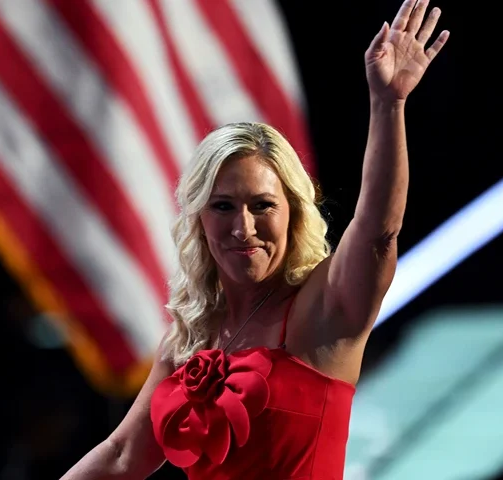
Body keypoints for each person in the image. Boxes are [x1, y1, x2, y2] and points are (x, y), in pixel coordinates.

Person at [62, 0, 449, 478]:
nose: (243, 228)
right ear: (198, 219)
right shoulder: (190, 334)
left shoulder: (326, 306)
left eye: (262, 206)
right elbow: (123, 456)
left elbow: (378, 230)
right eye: (222, 207)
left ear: (294, 212)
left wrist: (388, 105)